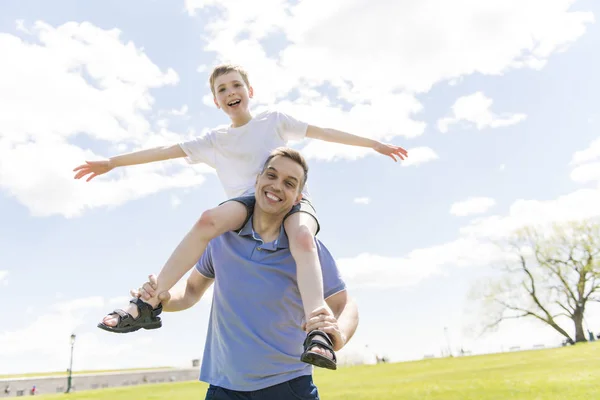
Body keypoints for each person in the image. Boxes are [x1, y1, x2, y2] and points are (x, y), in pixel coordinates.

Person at [73, 63, 404, 368]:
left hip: (288, 201)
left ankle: (317, 325)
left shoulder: (274, 121)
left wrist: (374, 144)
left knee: (302, 237)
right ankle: (147, 302)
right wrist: (113, 162)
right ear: (216, 101)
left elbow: (324, 131)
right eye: (222, 89)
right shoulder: (215, 141)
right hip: (247, 204)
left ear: (250, 91)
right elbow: (165, 151)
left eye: (236, 85)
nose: (230, 92)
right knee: (207, 220)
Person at [132, 148, 359, 399]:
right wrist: (164, 298)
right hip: (223, 386)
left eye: (289, 183)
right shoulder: (221, 239)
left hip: (288, 385)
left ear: (297, 198)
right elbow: (192, 290)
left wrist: (338, 336)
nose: (276, 186)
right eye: (271, 176)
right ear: (257, 180)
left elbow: (345, 303)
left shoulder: (306, 249)